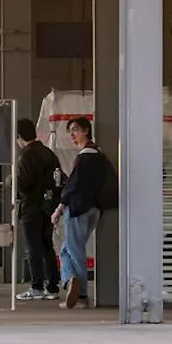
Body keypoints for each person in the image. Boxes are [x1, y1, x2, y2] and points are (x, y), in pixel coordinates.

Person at [53, 117, 114, 309]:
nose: (72, 134)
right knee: (66, 250)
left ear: (86, 130)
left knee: (74, 250)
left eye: (76, 130)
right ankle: (70, 280)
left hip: (78, 208)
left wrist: (59, 208)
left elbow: (73, 186)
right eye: (70, 130)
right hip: (94, 209)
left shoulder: (86, 156)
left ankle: (80, 294)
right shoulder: (99, 154)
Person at [15, 118, 64, 301]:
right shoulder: (48, 153)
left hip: (31, 207)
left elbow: (26, 183)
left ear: (19, 136)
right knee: (46, 246)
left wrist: (14, 182)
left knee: (32, 248)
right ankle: (52, 286)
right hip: (47, 207)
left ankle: (36, 287)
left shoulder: (27, 155)